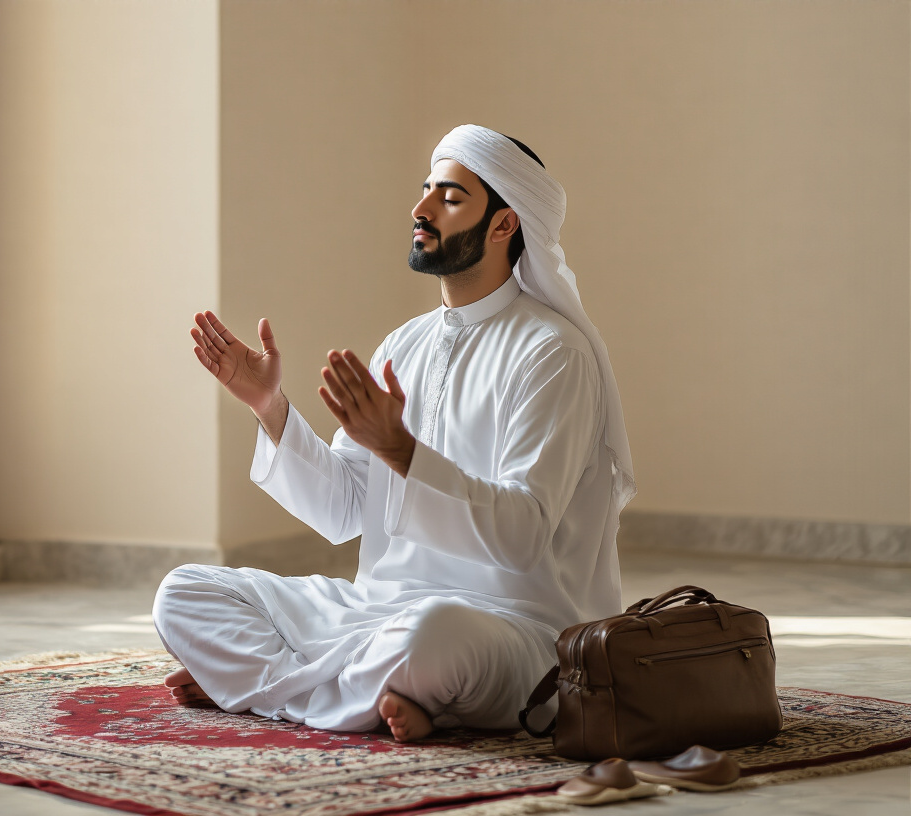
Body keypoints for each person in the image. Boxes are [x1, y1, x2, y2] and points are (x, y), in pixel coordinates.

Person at [152, 125, 636, 742]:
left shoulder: (553, 353)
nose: (421, 209)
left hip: (511, 626)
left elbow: (521, 537)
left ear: (504, 225)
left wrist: (402, 452)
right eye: (426, 190)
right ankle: (368, 694)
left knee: (435, 636)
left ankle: (272, 685)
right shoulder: (403, 345)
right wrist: (270, 406)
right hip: (375, 615)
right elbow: (343, 510)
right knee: (185, 592)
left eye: (450, 197)